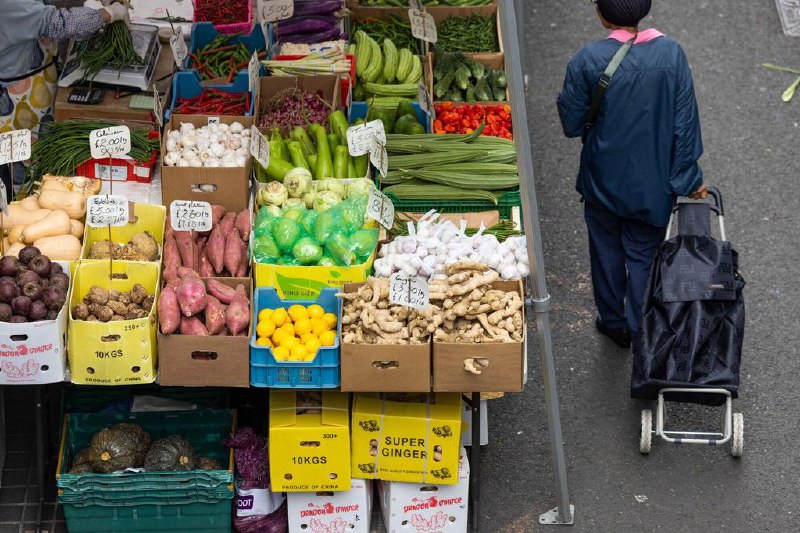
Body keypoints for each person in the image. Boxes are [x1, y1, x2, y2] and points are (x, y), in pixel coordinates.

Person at [557, 0, 707, 348]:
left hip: (602, 181)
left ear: (602, 15)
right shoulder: (671, 54)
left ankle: (613, 322)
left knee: (606, 250)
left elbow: (572, 124)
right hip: (652, 186)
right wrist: (688, 178)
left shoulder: (587, 60)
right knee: (642, 256)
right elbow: (685, 124)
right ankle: (644, 335)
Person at [0, 0, 129, 199]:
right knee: (22, 171)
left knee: (40, 159)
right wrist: (107, 14)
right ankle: (20, 211)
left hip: (37, 82)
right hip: (16, 100)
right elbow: (59, 23)